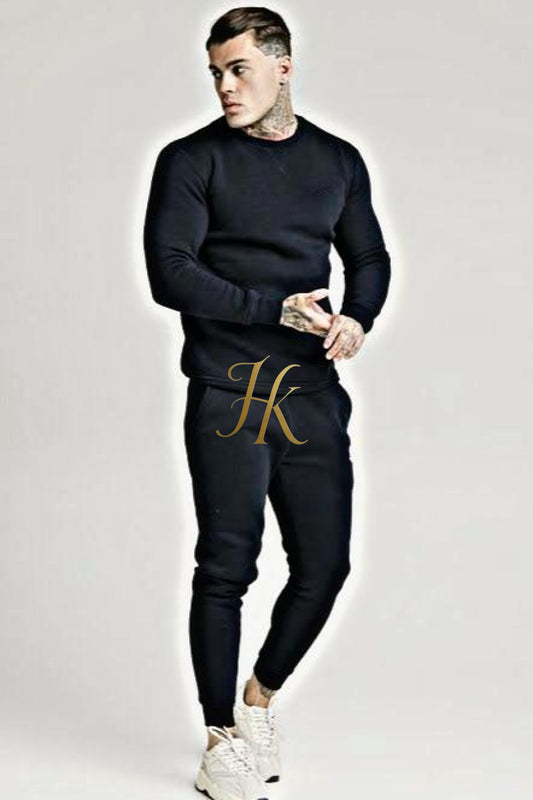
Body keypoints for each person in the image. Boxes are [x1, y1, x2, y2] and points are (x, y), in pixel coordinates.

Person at [143, 7, 391, 800]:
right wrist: (270, 310)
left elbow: (368, 255)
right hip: (228, 395)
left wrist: (357, 317)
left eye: (238, 68)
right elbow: (170, 272)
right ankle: (218, 741)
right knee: (226, 567)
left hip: (310, 393)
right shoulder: (190, 161)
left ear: (283, 67)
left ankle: (258, 700)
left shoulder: (336, 159)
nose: (224, 85)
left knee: (325, 565)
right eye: (215, 72)